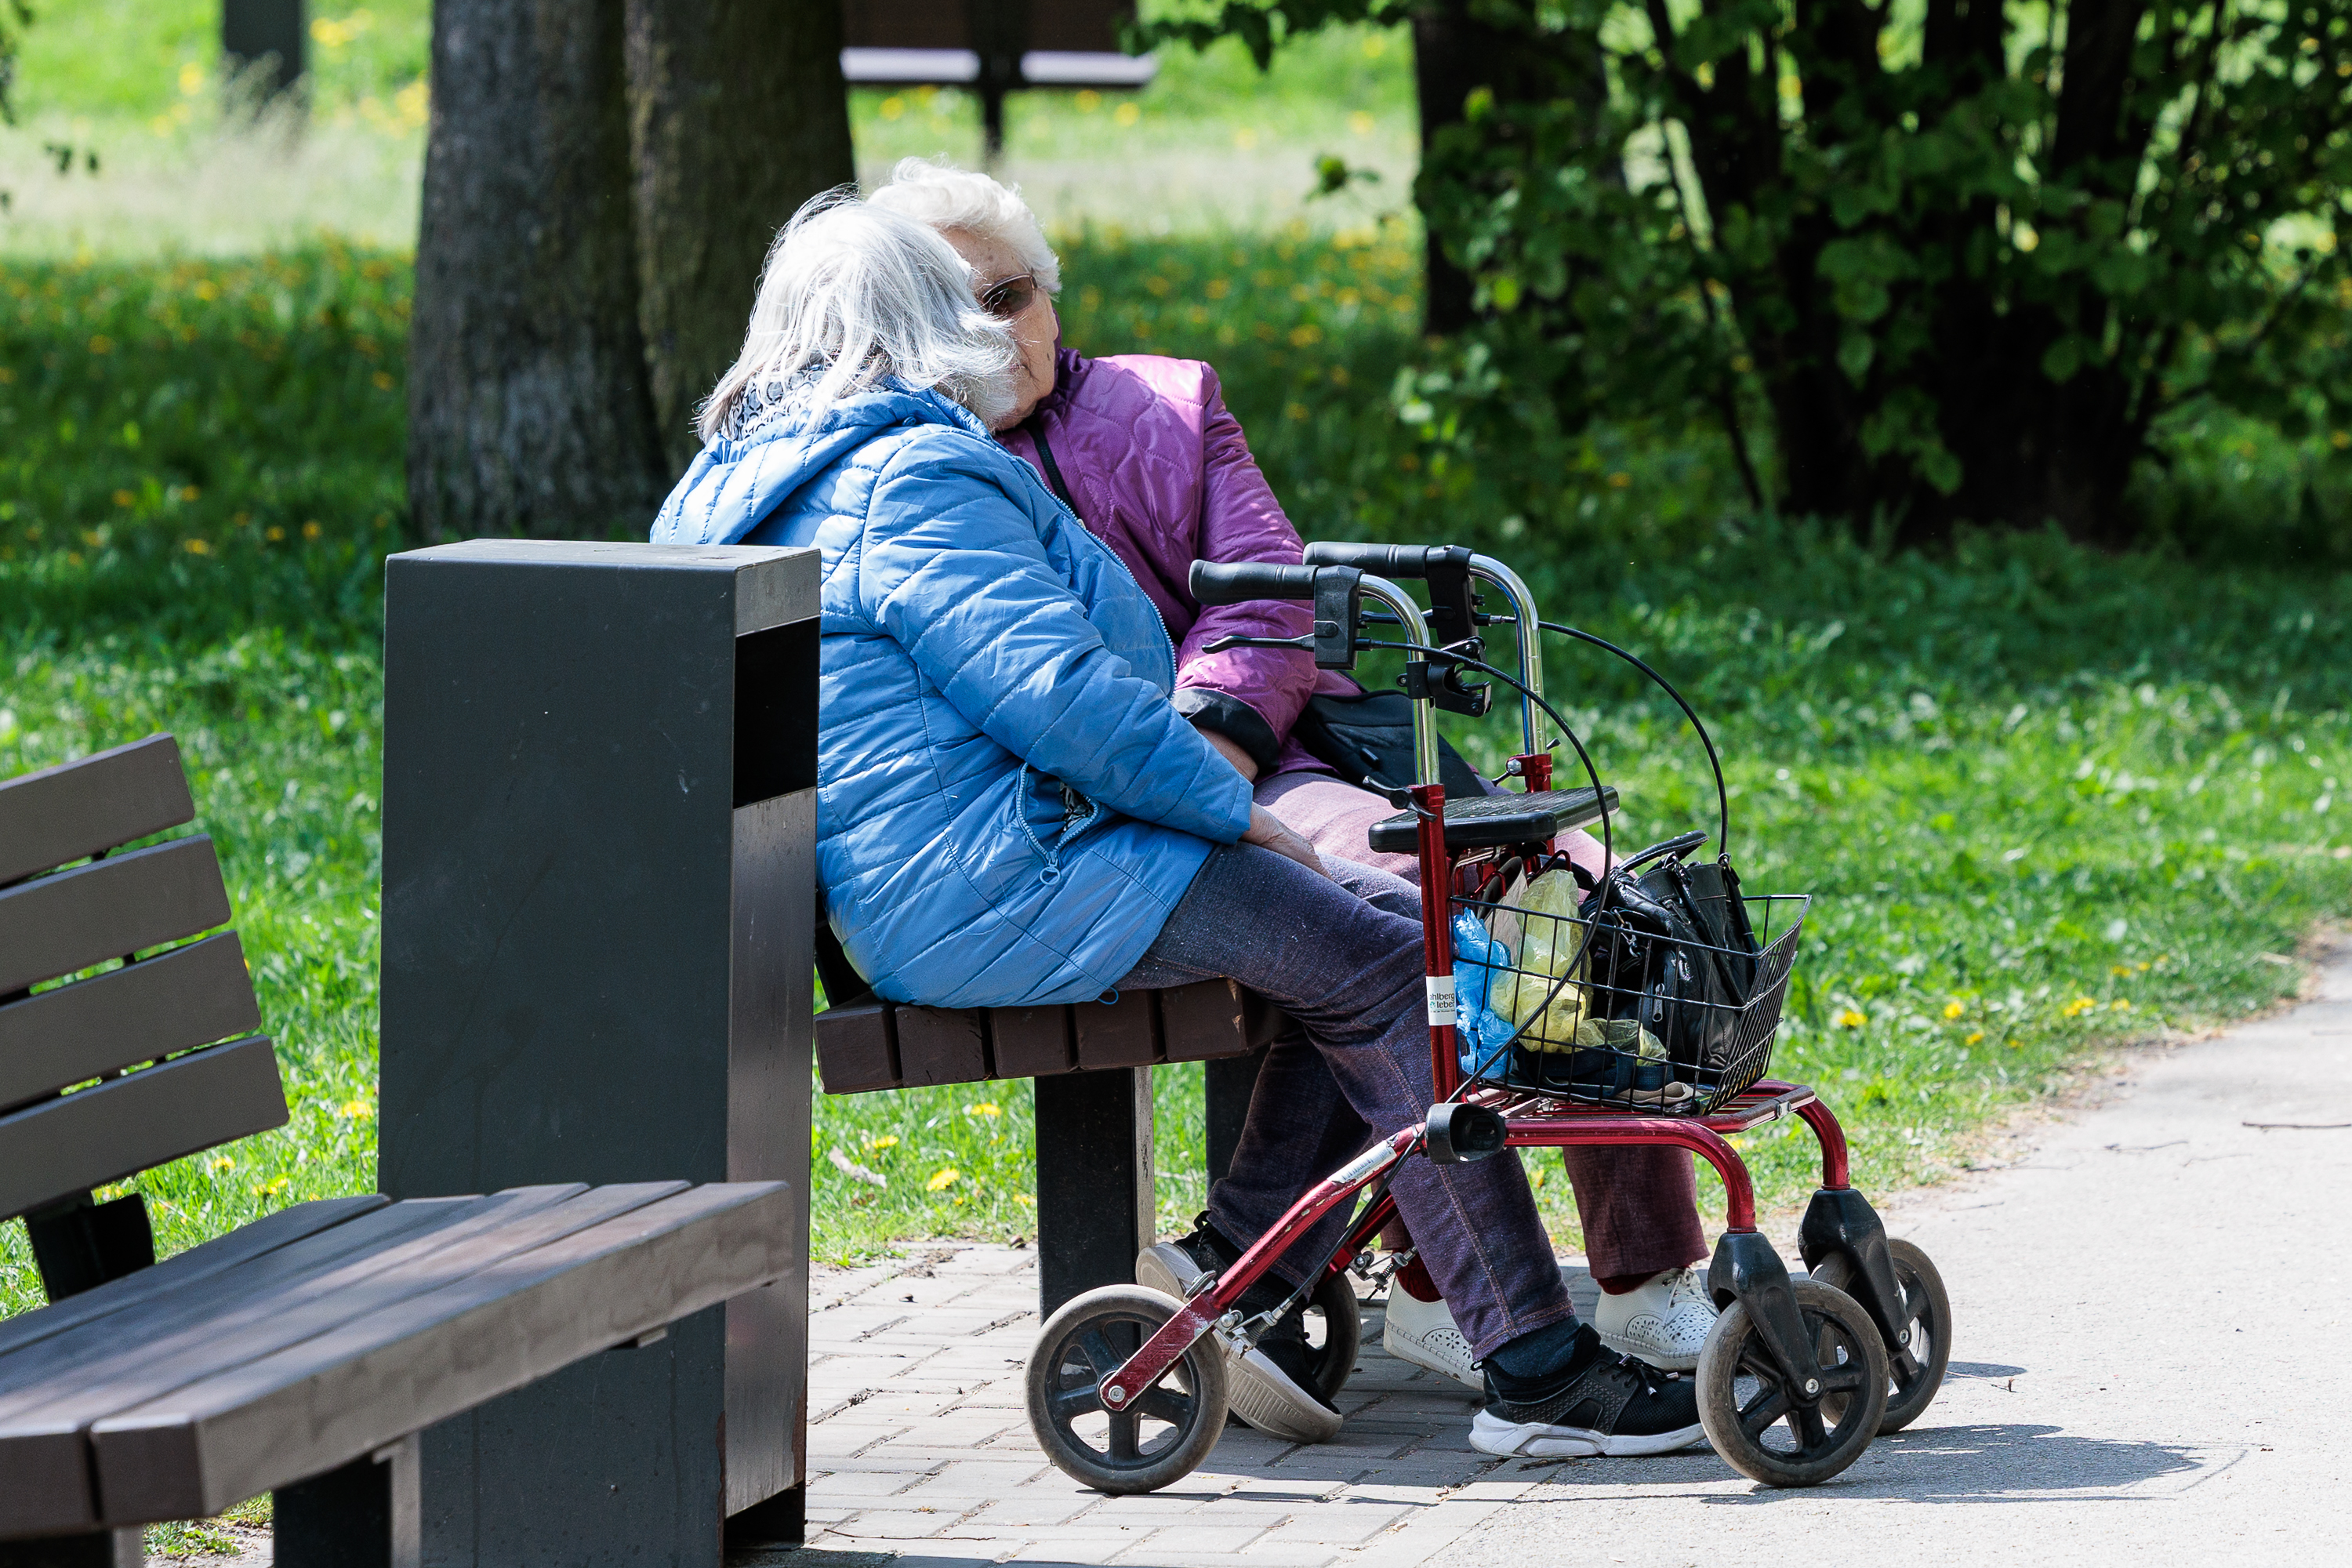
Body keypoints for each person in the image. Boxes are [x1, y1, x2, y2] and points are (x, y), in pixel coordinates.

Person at [651, 191, 1704, 1460]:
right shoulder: (908, 477)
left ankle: (1241, 1273)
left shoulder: (734, 487)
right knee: (1390, 962)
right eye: (952, 305)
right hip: (1012, 872)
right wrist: (1234, 812)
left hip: (949, 877)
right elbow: (1062, 700)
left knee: (1356, 927)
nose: (980, 329)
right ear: (906, 321)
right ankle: (1535, 1367)